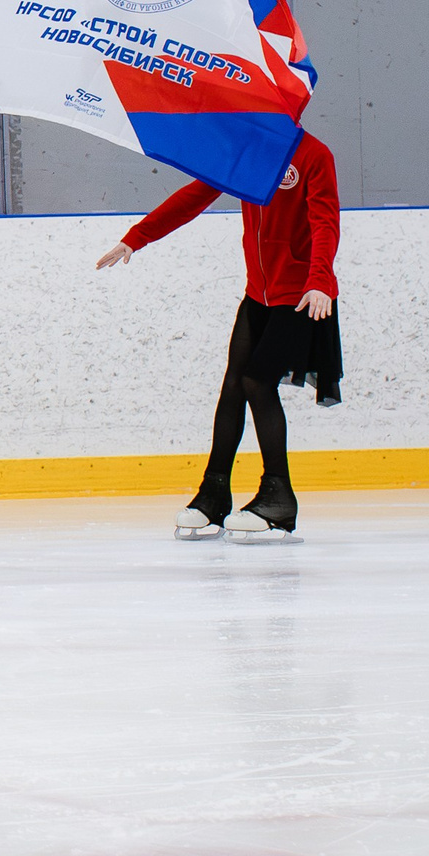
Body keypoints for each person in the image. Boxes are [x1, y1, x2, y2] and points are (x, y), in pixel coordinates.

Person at [97, 129, 340, 545]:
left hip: (301, 295)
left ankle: (278, 498)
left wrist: (320, 279)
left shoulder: (314, 155)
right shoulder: (247, 148)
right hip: (258, 294)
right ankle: (213, 495)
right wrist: (137, 237)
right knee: (233, 386)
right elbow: (195, 196)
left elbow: (325, 221)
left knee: (257, 381)